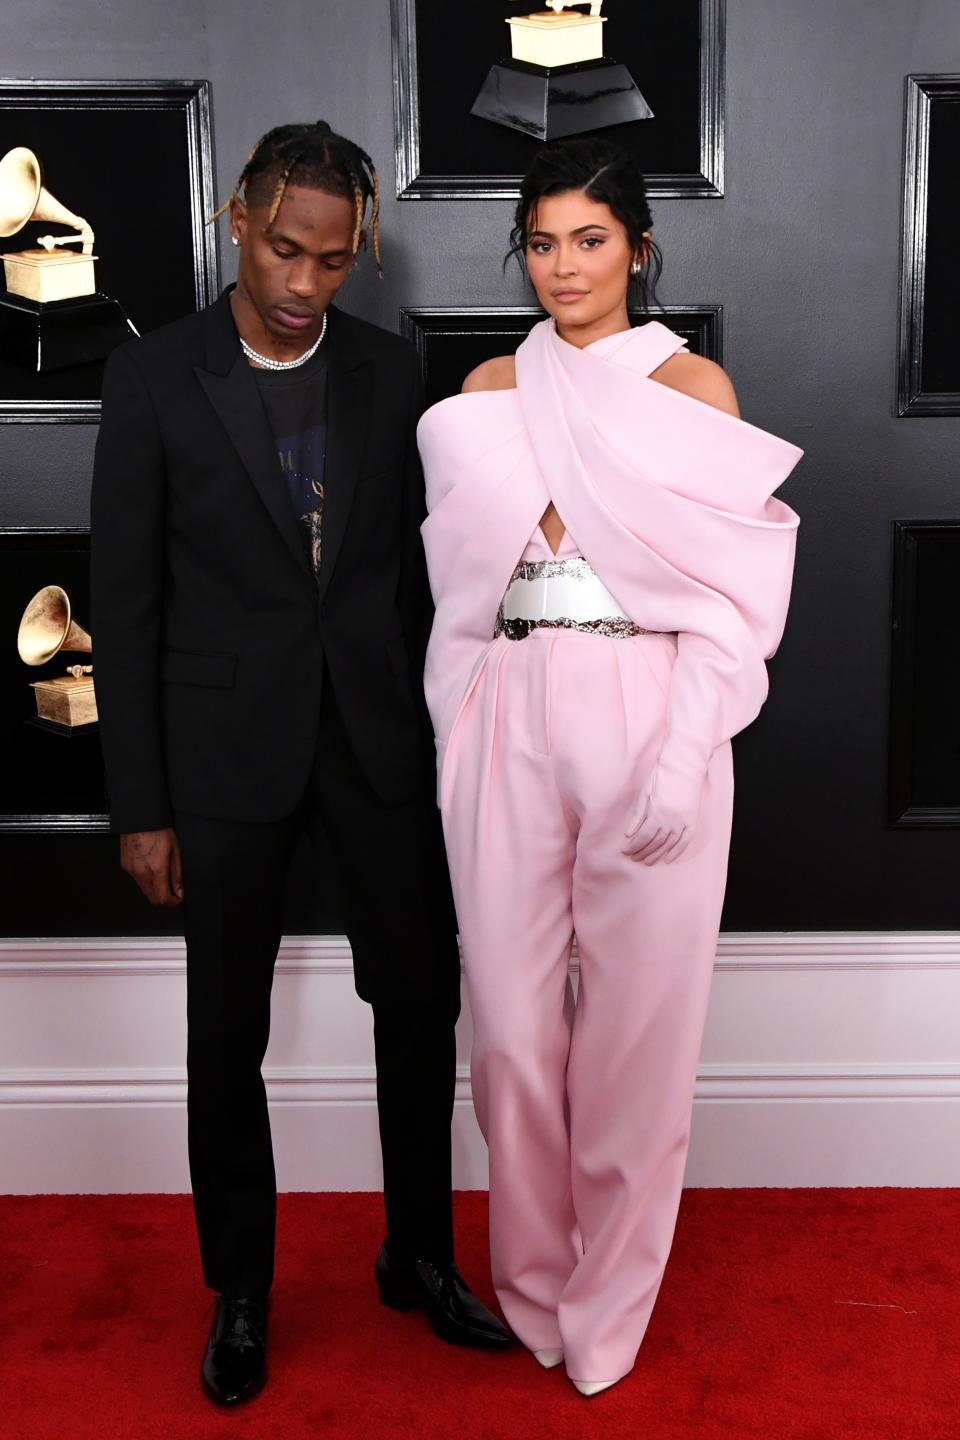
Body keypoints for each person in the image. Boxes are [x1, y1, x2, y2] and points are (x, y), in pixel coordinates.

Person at [90, 119, 509, 1409]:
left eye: (332, 262)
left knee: (420, 1005)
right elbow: (129, 598)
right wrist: (141, 805)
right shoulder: (157, 377)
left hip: (378, 740)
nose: (302, 282)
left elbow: (426, 583)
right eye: (284, 250)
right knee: (228, 1032)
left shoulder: (396, 376)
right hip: (221, 754)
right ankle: (244, 1290)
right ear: (238, 219)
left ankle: (419, 1256)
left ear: (356, 253)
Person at [417, 137, 802, 1396]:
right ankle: (531, 1286)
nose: (563, 267)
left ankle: (610, 1307)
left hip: (650, 706)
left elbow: (732, 604)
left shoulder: (694, 388)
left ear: (640, 248)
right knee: (515, 1041)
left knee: (638, 1043)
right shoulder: (488, 385)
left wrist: (684, 759)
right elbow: (459, 594)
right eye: (541, 242)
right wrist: (459, 729)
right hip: (509, 707)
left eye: (590, 240)